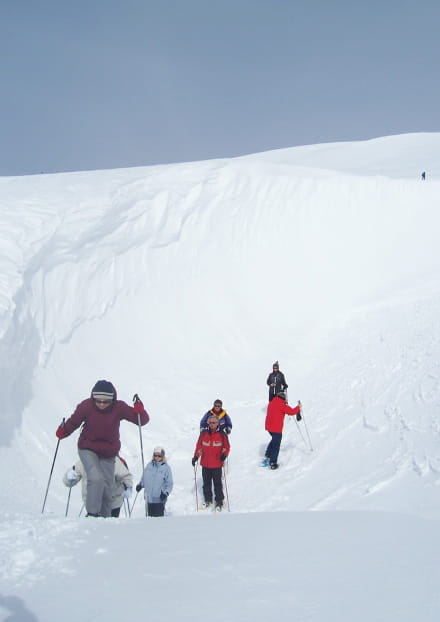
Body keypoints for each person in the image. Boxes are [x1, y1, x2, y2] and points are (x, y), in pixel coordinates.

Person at [55, 379, 149, 517]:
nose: (101, 404)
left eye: (106, 402)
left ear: (112, 399)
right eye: (98, 401)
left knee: (107, 486)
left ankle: (105, 519)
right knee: (96, 477)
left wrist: (139, 411)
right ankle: (92, 514)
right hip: (87, 448)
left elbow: (142, 420)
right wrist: (63, 431)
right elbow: (73, 422)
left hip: (109, 452)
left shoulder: (119, 407)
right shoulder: (86, 406)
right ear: (93, 398)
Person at [63, 455, 133, 517]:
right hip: (92, 504)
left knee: (106, 528)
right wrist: (69, 477)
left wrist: (127, 487)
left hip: (112, 505)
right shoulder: (84, 461)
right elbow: (69, 481)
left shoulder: (114, 461)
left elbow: (126, 476)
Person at [192, 414, 230, 511]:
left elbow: (227, 447)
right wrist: (195, 457)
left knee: (217, 483)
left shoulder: (222, 434)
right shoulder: (204, 434)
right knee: (206, 483)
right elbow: (199, 446)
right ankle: (208, 500)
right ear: (208, 423)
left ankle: (219, 501)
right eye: (211, 422)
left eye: (214, 422)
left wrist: (224, 455)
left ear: (218, 423)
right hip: (206, 463)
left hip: (217, 463)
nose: (212, 424)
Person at [263, 391, 301, 469]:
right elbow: (291, 412)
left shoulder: (272, 402)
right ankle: (273, 463)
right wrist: (298, 407)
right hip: (276, 428)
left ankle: (268, 454)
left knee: (274, 439)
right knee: (276, 445)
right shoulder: (281, 405)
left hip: (269, 427)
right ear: (283, 398)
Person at [136, 446, 173, 517]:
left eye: (159, 456)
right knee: (150, 520)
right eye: (155, 455)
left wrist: (166, 493)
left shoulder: (166, 468)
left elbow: (169, 483)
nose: (157, 457)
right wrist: (140, 485)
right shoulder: (149, 466)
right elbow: (144, 477)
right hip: (149, 499)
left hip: (159, 499)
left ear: (162, 456)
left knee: (157, 521)